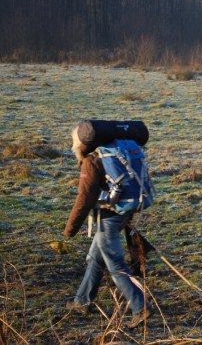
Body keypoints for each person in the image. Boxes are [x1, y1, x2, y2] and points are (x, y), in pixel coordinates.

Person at [64, 126, 152, 328]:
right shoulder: (110, 152)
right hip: (125, 210)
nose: (72, 146)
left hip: (110, 216)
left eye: (74, 142)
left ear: (83, 143)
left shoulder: (92, 161)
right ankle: (82, 301)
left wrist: (69, 230)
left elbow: (85, 199)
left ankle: (140, 306)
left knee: (114, 262)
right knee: (97, 255)